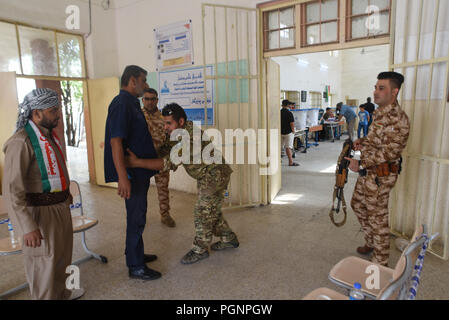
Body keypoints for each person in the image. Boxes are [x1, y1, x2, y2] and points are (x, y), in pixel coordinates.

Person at [126, 103, 239, 265]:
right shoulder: (179, 131)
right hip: (206, 175)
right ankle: (228, 238)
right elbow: (164, 150)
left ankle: (200, 249)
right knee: (211, 211)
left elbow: (165, 163)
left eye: (168, 123)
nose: (165, 127)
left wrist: (136, 162)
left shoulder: (189, 139)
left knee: (202, 211)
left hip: (215, 175)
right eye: (164, 123)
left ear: (180, 121)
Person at [2, 88, 83, 300]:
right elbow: (12, 191)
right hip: (39, 216)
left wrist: (66, 199)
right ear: (36, 113)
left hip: (59, 210)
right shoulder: (21, 142)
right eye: (53, 110)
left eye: (57, 109)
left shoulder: (49, 138)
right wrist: (27, 228)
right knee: (44, 269)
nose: (58, 114)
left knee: (62, 263)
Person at [345, 71, 410, 267]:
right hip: (369, 173)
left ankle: (380, 263)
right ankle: (372, 242)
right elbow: (377, 141)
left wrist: (361, 164)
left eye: (381, 88)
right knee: (357, 204)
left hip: (381, 175)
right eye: (375, 87)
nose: (375, 92)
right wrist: (362, 141)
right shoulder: (379, 112)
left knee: (377, 217)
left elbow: (389, 153)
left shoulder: (398, 118)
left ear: (394, 92)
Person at [104, 65, 161, 280]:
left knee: (138, 215)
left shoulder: (131, 103)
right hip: (132, 174)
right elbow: (115, 142)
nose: (145, 85)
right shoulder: (121, 104)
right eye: (143, 80)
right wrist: (122, 178)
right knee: (136, 217)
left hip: (139, 171)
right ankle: (136, 266)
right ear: (132, 81)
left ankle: (134, 253)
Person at [141, 87, 175, 228]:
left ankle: (165, 215)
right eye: (146, 99)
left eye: (152, 99)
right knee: (141, 190)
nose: (149, 102)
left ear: (157, 100)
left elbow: (170, 137)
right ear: (142, 100)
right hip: (142, 160)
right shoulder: (137, 115)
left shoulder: (164, 118)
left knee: (163, 189)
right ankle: (140, 216)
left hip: (160, 159)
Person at [280, 100, 299, 166]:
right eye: (290, 105)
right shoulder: (289, 113)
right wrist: (293, 130)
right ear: (288, 105)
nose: (291, 106)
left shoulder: (279, 112)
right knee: (288, 147)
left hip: (280, 132)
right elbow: (292, 123)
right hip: (288, 132)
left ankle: (278, 160)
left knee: (279, 147)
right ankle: (290, 162)